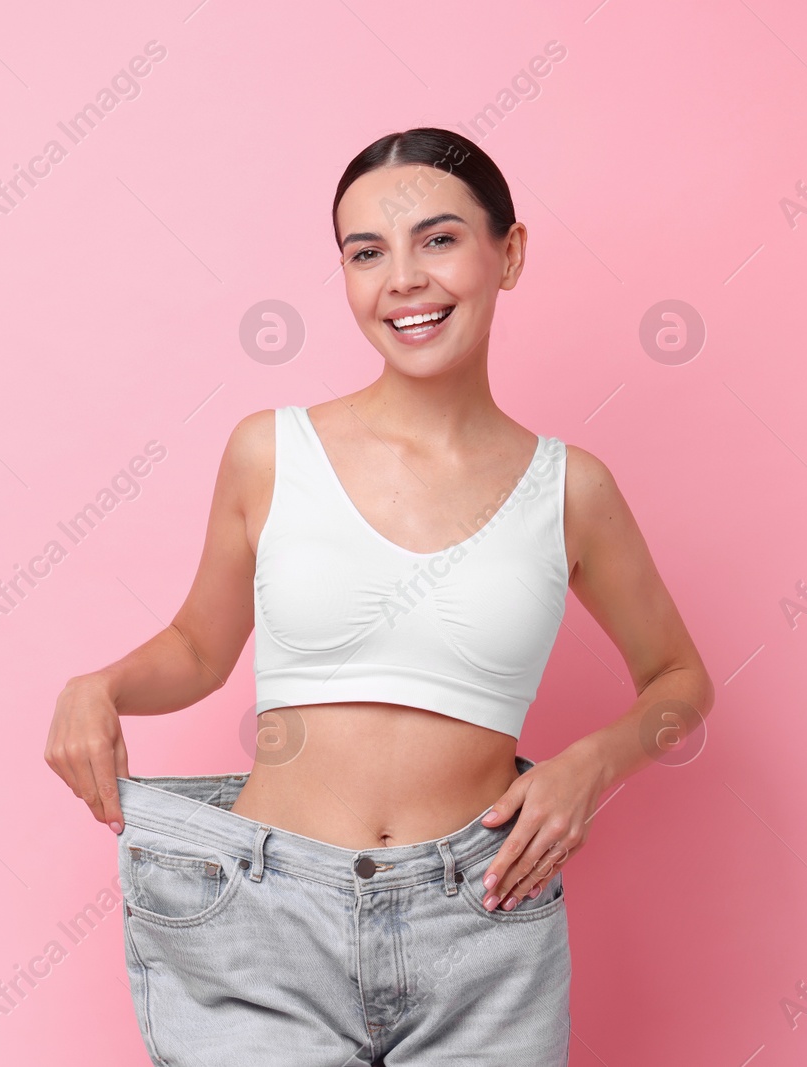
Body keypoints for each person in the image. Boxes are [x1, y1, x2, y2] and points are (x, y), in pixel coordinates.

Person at [43, 127, 714, 1065]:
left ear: (507, 253)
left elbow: (681, 679)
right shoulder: (270, 451)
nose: (402, 277)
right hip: (263, 913)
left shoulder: (572, 490)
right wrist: (99, 685)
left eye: (438, 239)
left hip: (483, 915)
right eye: (368, 253)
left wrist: (591, 765)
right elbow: (199, 648)